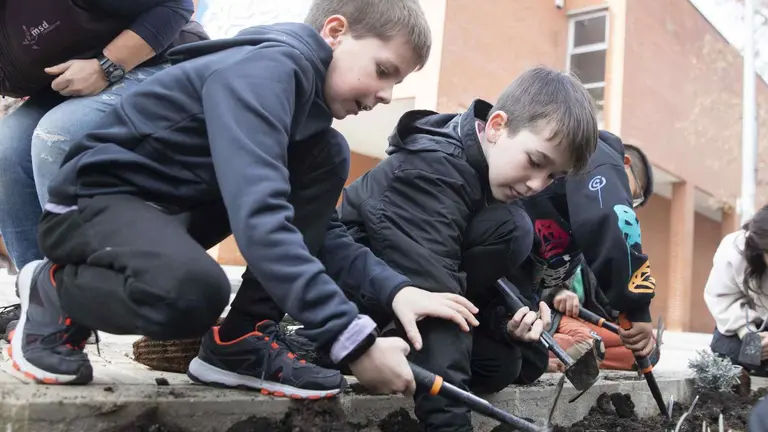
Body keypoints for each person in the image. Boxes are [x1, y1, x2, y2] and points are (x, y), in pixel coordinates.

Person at [10, 0, 476, 401]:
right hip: (93, 205)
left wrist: (396, 290)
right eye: (383, 71)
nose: (386, 95)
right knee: (194, 293)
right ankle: (53, 290)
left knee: (327, 155)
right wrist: (352, 341)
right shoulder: (269, 69)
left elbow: (314, 232)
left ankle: (240, 342)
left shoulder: (306, 120)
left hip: (167, 217)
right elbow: (262, 222)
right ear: (335, 33)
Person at [336, 66, 598, 431]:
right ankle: (345, 345)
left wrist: (510, 324)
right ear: (496, 127)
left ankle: (378, 351)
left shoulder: (493, 181)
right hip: (356, 295)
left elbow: (472, 286)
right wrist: (451, 424)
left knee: (503, 364)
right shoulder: (433, 169)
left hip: (410, 297)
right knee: (513, 229)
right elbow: (437, 293)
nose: (538, 184)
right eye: (536, 162)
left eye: (553, 176)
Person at [0, 0, 207, 335]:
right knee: (6, 146)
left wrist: (107, 66)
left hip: (160, 59)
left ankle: (82, 301)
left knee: (58, 136)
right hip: (71, 83)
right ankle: (44, 301)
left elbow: (176, 4)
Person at [508, 130, 659, 372]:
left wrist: (627, 315)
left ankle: (556, 355)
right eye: (635, 197)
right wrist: (636, 307)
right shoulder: (597, 160)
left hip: (540, 310)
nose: (629, 205)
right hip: (548, 313)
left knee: (646, 348)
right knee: (578, 345)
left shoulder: (580, 229)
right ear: (624, 165)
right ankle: (550, 354)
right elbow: (611, 220)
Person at [705, 204, 768, 374]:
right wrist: (749, 335)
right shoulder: (733, 250)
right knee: (728, 352)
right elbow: (722, 298)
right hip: (745, 325)